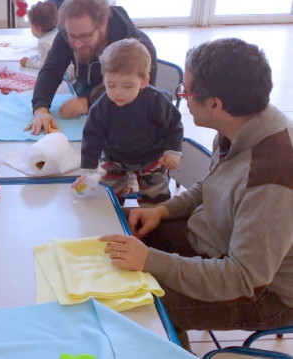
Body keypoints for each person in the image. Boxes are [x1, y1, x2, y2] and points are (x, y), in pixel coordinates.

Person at [98, 38, 293, 350]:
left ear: (215, 105)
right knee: (109, 227)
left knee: (140, 307)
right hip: (215, 243)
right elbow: (212, 184)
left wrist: (152, 260)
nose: (182, 98)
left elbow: (244, 279)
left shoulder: (272, 174)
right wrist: (162, 211)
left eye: (186, 92)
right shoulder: (240, 125)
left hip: (265, 293)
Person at [72, 38, 182, 205]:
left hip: (151, 158)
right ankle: (114, 214)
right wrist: (88, 170)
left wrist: (172, 151)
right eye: (111, 85)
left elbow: (174, 125)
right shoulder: (101, 107)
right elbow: (91, 137)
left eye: (128, 86)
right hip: (115, 157)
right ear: (104, 79)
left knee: (156, 199)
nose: (118, 93)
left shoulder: (156, 101)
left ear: (144, 81)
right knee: (107, 199)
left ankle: (152, 219)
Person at [26, 0, 157, 135]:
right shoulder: (72, 30)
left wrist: (87, 103)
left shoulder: (139, 50)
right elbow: (51, 70)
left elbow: (139, 99)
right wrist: (40, 108)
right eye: (72, 36)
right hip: (88, 123)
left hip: (126, 132)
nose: (77, 44)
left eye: (85, 36)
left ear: (103, 22)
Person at [19, 1, 59, 70]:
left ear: (37, 27)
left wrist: (28, 62)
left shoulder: (43, 43)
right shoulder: (57, 32)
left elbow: (44, 65)